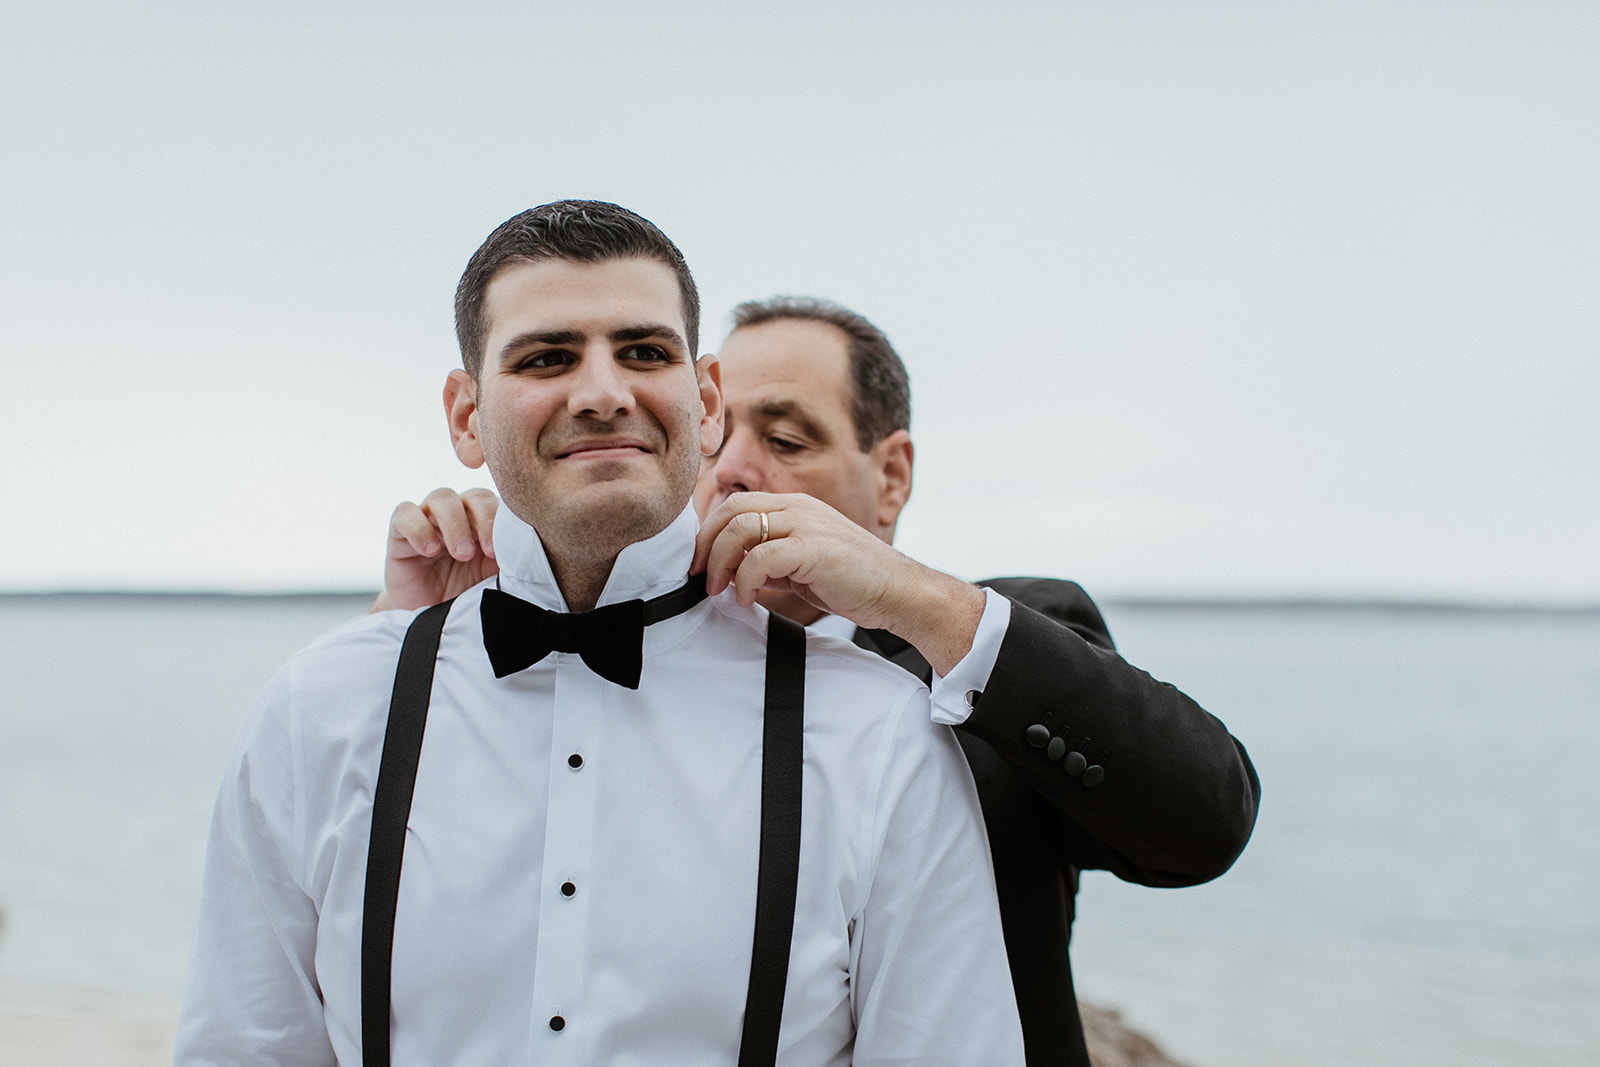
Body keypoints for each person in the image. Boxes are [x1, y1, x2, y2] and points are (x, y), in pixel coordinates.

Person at [175, 202, 1026, 1066]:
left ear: (706, 403)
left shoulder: (880, 734)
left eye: (643, 351)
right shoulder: (319, 710)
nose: (603, 392)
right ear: (466, 416)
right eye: (548, 357)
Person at [382, 297, 1262, 1067]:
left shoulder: (991, 645)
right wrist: (416, 641)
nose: (732, 469)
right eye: (717, 430)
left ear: (891, 477)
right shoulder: (593, 654)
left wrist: (915, 597)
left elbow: (1205, 821)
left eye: (789, 438)